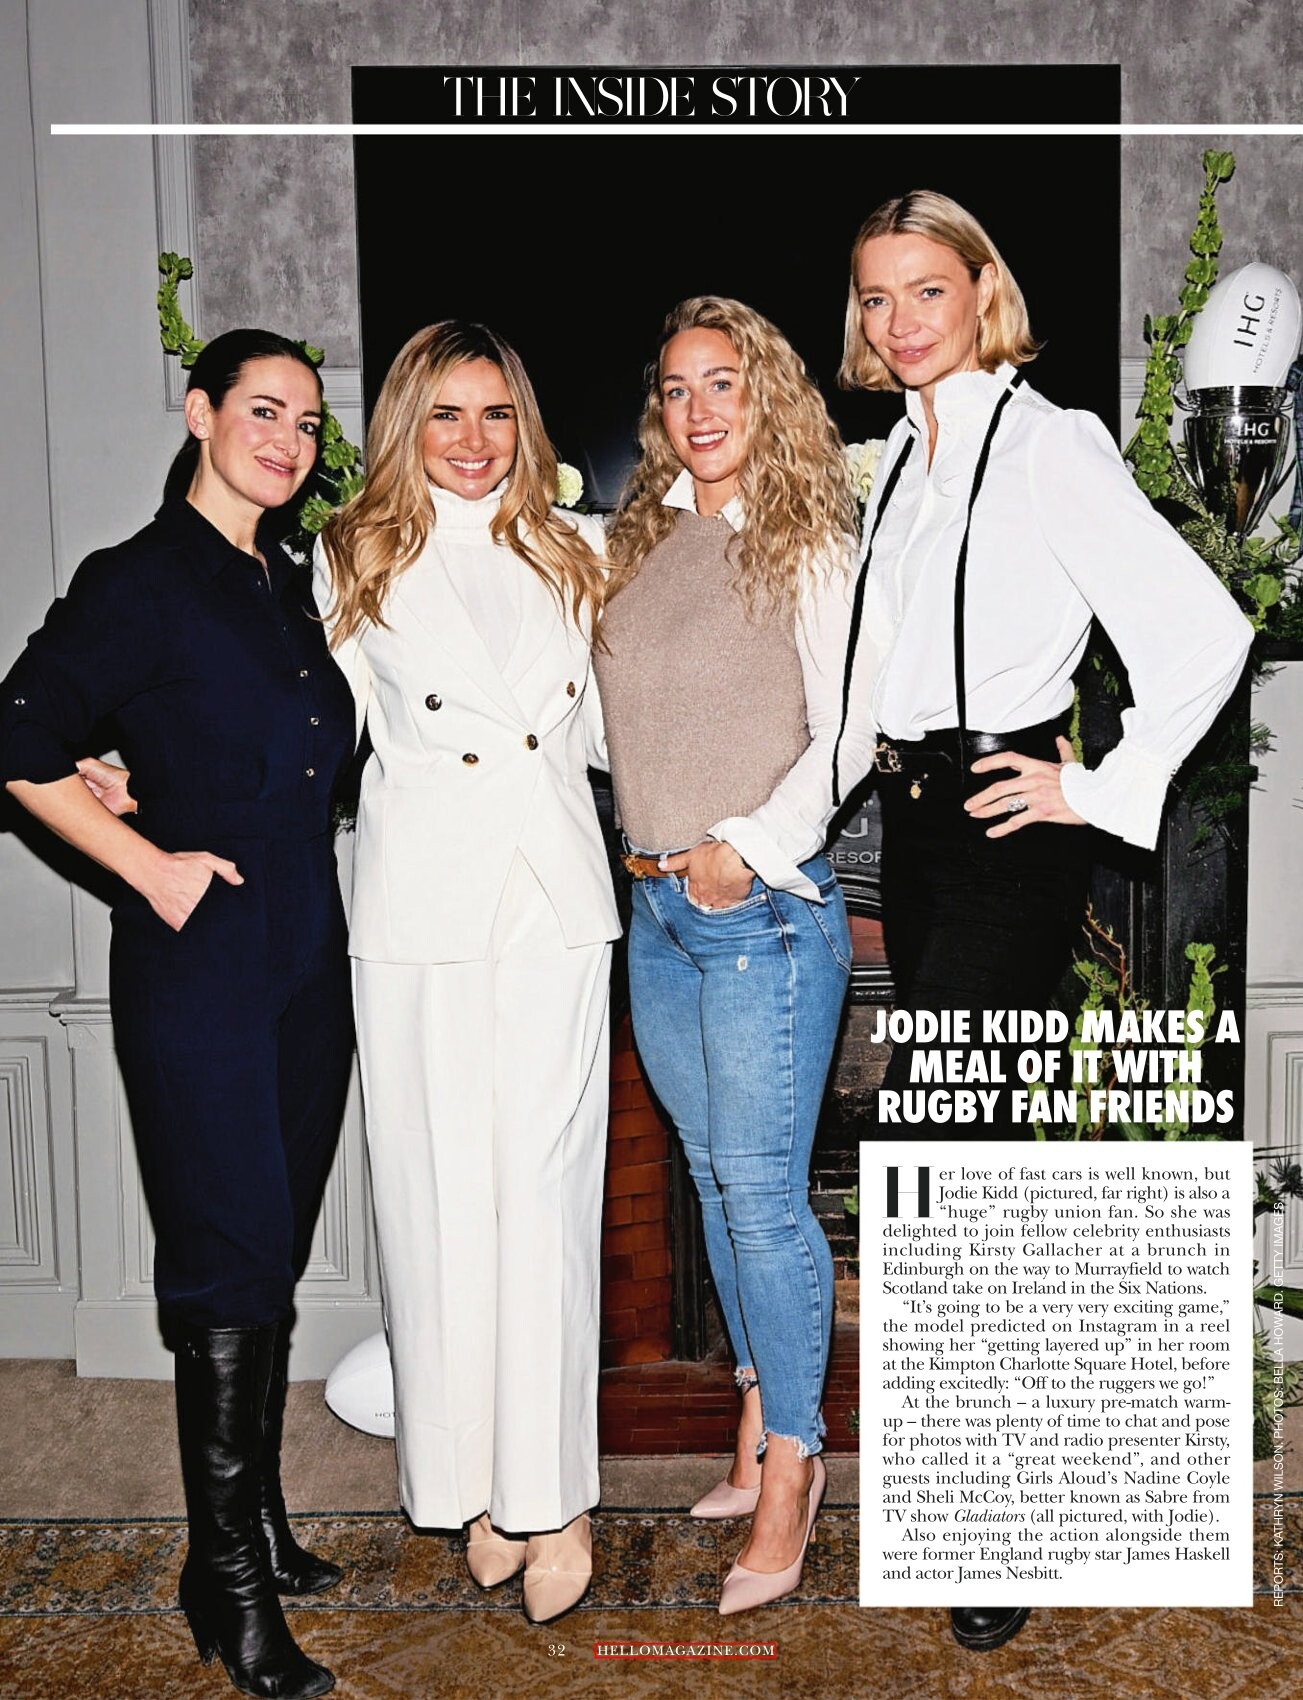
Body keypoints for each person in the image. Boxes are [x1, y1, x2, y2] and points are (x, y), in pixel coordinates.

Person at [836, 189, 1254, 1653]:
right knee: (959, 1153)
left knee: (954, 1158)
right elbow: (866, 667)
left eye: (926, 290)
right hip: (909, 830)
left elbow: (1206, 633)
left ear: (981, 292)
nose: (900, 321)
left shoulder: (1050, 442)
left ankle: (993, 1520)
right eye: (876, 296)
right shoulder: (894, 461)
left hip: (1008, 829)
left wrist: (1099, 786)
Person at [0, 329, 355, 1698]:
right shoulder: (137, 580)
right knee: (224, 1258)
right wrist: (147, 865)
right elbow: (18, 736)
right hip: (202, 963)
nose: (288, 440)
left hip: (308, 958)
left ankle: (254, 1521)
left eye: (307, 422)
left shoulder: (289, 584)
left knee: (270, 1249)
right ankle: (229, 1582)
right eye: (262, 409)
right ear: (200, 414)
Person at [313, 321, 619, 1625]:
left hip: (553, 904)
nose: (475, 440)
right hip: (421, 910)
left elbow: (621, 735)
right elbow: (304, 729)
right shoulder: (351, 558)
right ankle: (471, 1486)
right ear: (406, 424)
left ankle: (558, 1498)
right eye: (447, 413)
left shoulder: (579, 549)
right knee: (434, 1201)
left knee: (543, 1205)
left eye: (497, 413)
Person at [596, 295, 877, 1615]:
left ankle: (796, 1471)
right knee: (713, 1181)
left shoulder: (810, 537)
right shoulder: (643, 539)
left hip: (758, 913)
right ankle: (754, 1424)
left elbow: (849, 729)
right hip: (656, 915)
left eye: (724, 382)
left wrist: (744, 845)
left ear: (767, 393)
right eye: (677, 388)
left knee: (761, 1197)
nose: (698, 409)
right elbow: (606, 722)